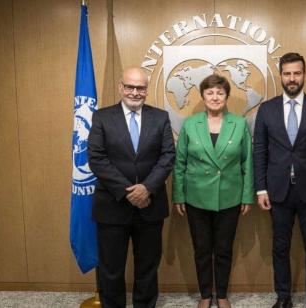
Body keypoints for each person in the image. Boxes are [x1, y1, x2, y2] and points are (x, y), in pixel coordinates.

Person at [253, 52, 306, 308]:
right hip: (277, 191)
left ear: (304, 74)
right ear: (281, 76)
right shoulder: (266, 109)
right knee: (280, 247)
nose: (292, 79)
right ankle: (283, 297)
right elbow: (260, 151)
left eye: (297, 73)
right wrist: (260, 188)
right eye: (288, 73)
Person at [88, 67, 176, 308]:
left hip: (150, 205)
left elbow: (168, 156)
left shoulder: (160, 117)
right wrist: (130, 192)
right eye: (130, 86)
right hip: (112, 206)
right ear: (120, 87)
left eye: (140, 88)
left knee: (147, 267)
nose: (135, 92)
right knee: (111, 269)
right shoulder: (102, 117)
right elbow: (96, 158)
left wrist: (147, 188)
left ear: (146, 90)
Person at [172, 74, 254, 308]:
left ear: (226, 96)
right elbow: (180, 163)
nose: (215, 97)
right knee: (201, 250)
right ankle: (205, 295)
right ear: (203, 96)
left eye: (220, 93)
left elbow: (247, 162)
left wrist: (247, 195)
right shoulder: (190, 124)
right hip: (196, 197)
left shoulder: (239, 124)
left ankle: (222, 295)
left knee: (224, 249)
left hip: (230, 197)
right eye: (210, 92)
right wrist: (179, 194)